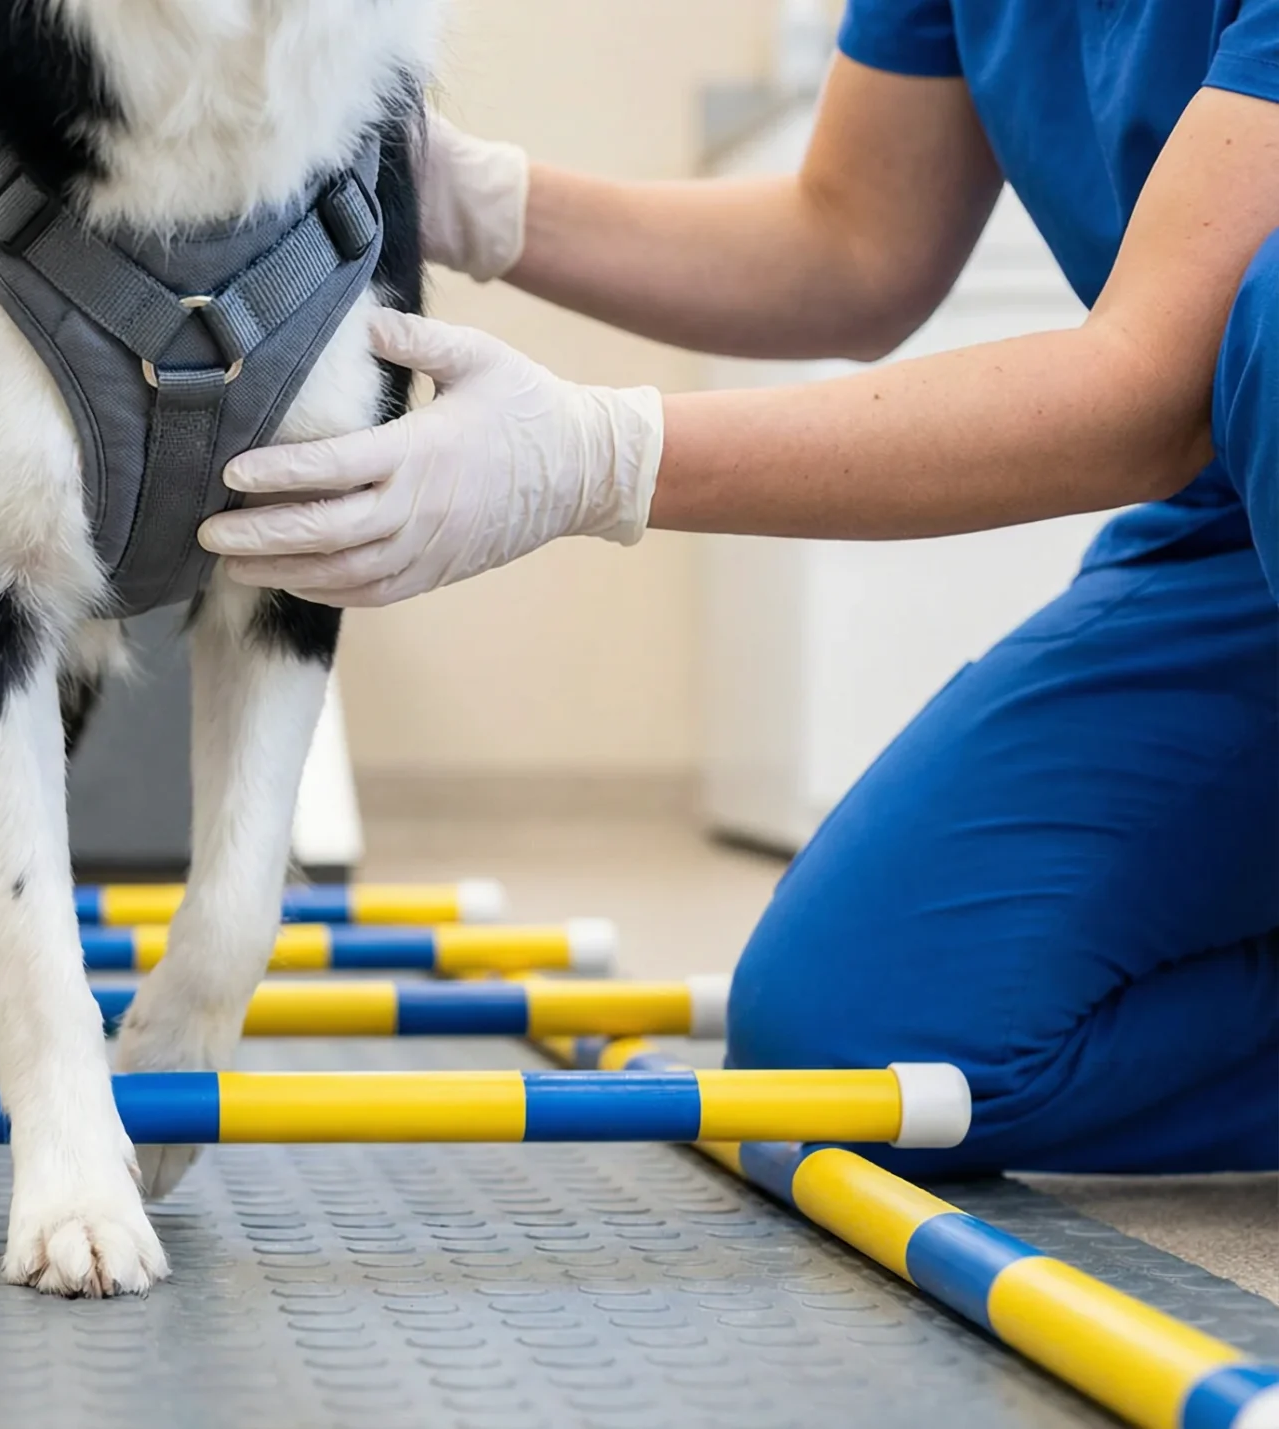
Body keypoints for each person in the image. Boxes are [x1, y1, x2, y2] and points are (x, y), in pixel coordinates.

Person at [200, 2, 1279, 1176]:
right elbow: (856, 242)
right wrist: (461, 197)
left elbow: (1147, 387)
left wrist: (599, 458)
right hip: (1233, 533)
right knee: (857, 1045)